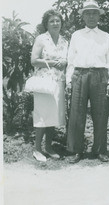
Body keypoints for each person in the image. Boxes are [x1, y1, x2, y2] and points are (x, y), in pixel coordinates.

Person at [66, 1, 109, 163]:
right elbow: (71, 61)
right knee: (76, 114)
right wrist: (68, 81)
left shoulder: (106, 36)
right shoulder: (76, 35)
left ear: (99, 15)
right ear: (83, 16)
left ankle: (100, 150)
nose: (91, 16)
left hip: (100, 76)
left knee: (101, 113)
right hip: (79, 75)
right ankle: (76, 151)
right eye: (88, 13)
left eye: (94, 13)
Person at [31, 9, 68, 162]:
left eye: (57, 20)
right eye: (51, 21)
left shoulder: (64, 41)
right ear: (46, 24)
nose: (55, 23)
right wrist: (53, 63)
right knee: (42, 115)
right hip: (44, 84)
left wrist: (65, 63)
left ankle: (49, 147)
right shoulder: (41, 39)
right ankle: (37, 149)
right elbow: (34, 60)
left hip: (58, 83)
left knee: (53, 116)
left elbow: (67, 61)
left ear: (61, 23)